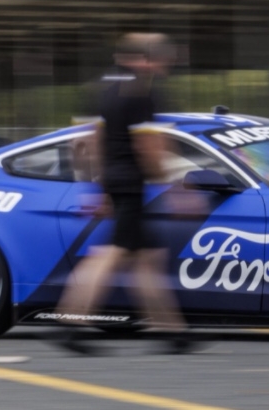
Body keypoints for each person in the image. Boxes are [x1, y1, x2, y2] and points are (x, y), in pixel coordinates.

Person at [50, 32, 200, 355]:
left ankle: (174, 332)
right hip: (131, 184)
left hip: (115, 181)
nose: (164, 67)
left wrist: (96, 186)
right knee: (111, 254)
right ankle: (71, 323)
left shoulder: (100, 89)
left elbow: (85, 142)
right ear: (144, 60)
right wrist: (174, 187)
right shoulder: (141, 90)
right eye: (161, 60)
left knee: (148, 259)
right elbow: (148, 146)